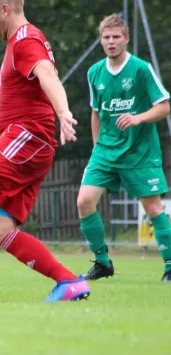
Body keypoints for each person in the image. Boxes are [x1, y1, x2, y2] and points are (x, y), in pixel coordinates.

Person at [0, 0, 90, 301]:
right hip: (33, 142)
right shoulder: (21, 40)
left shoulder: (25, 40)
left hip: (28, 135)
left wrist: (63, 112)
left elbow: (47, 74)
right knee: (0, 229)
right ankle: (69, 281)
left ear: (5, 9)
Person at [77, 14, 171, 283]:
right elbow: (95, 113)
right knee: (84, 202)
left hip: (139, 151)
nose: (111, 41)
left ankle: (170, 265)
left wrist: (138, 118)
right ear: (101, 40)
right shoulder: (94, 72)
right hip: (105, 151)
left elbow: (164, 105)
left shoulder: (141, 69)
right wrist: (97, 148)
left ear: (126, 39)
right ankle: (103, 263)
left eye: (116, 36)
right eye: (106, 37)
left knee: (152, 208)